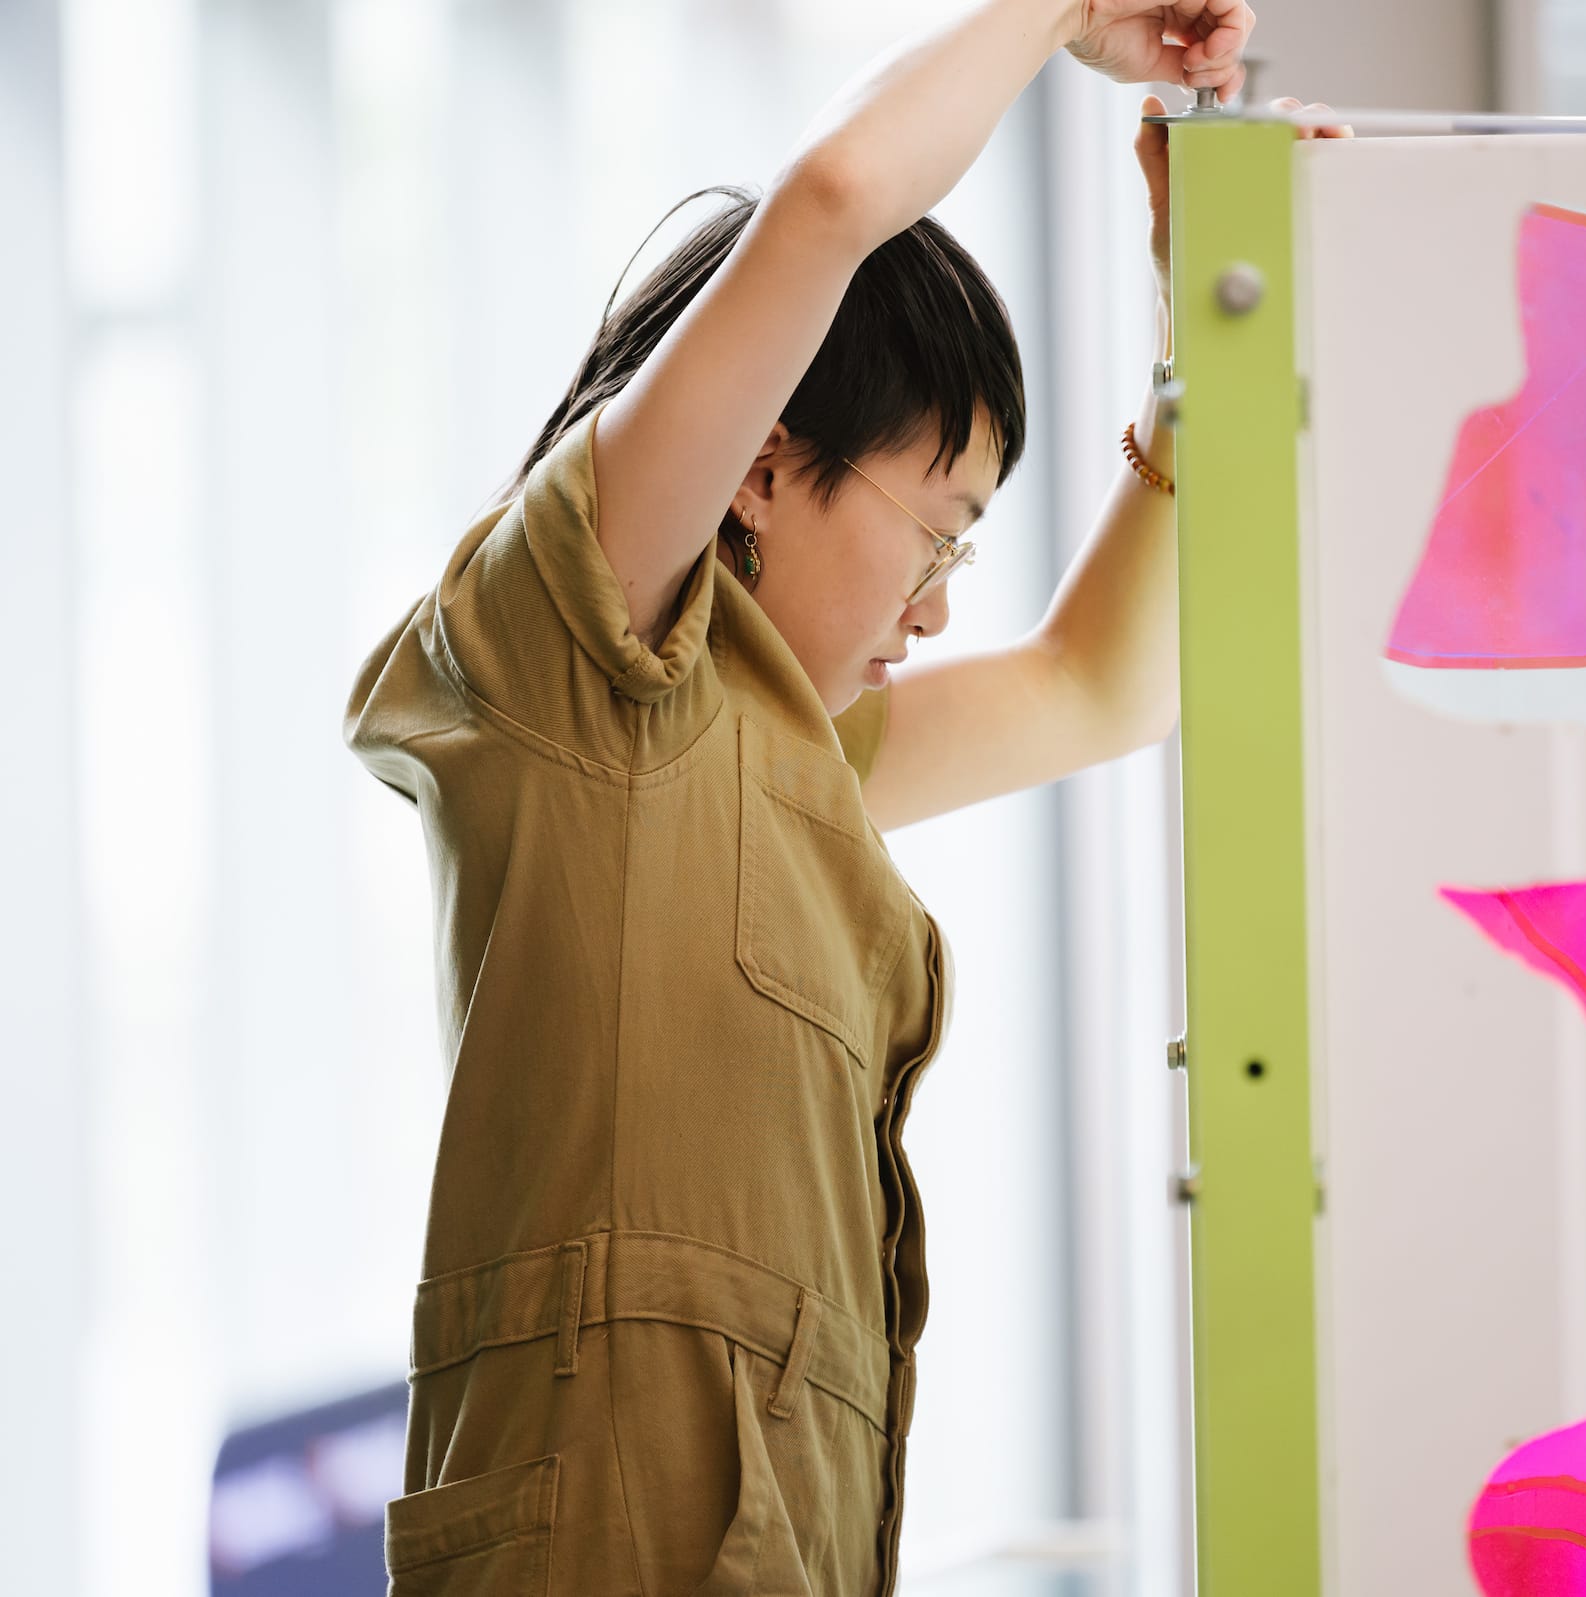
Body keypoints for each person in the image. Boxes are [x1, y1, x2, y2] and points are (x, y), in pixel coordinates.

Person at [344, 2, 1342, 1589]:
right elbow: (830, 205)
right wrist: (1070, 15)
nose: (938, 603)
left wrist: (1198, 336)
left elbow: (1107, 686)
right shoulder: (575, 653)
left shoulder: (787, 756)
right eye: (937, 530)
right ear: (757, 460)